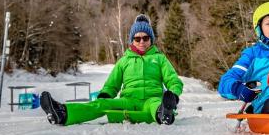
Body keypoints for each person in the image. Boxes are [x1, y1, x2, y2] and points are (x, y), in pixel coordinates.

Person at [40, 14, 183, 126]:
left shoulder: (159, 59)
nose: (142, 42)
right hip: (128, 100)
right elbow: (112, 84)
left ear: (151, 40)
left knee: (155, 106)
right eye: (137, 38)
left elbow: (173, 80)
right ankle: (63, 113)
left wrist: (174, 95)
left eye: (145, 38)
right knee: (101, 104)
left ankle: (164, 113)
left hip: (151, 99)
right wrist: (106, 96)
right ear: (132, 40)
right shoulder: (124, 61)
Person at [218, 1, 269, 103]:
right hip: (268, 104)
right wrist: (238, 89)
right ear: (259, 29)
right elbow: (225, 81)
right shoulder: (253, 54)